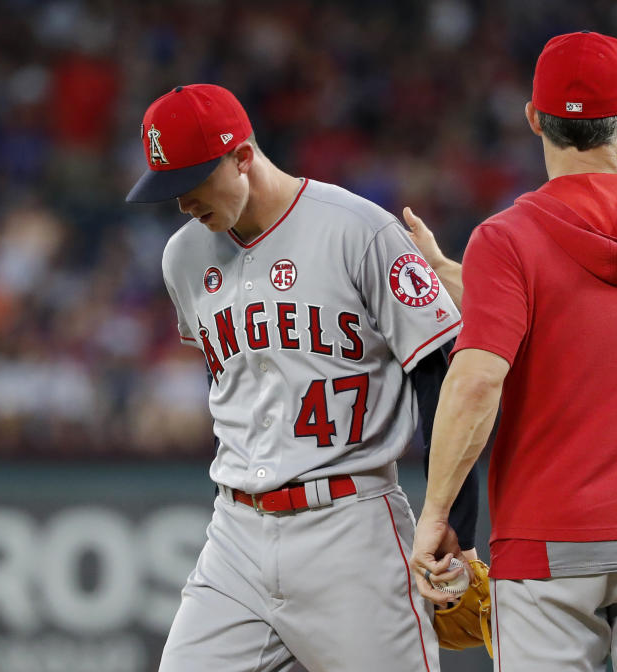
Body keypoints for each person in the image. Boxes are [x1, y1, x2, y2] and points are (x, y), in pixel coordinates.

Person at [126, 83, 479, 672]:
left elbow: (439, 375)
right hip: (235, 536)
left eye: (191, 183)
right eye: (169, 188)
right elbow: (239, 387)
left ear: (242, 156)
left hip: (350, 529)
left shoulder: (359, 230)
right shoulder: (182, 258)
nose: (182, 203)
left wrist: (454, 520)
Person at [408, 31, 617, 671]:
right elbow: (597, 313)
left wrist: (437, 512)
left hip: (551, 547)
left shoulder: (508, 239)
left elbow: (474, 383)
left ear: (531, 118)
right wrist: (469, 280)